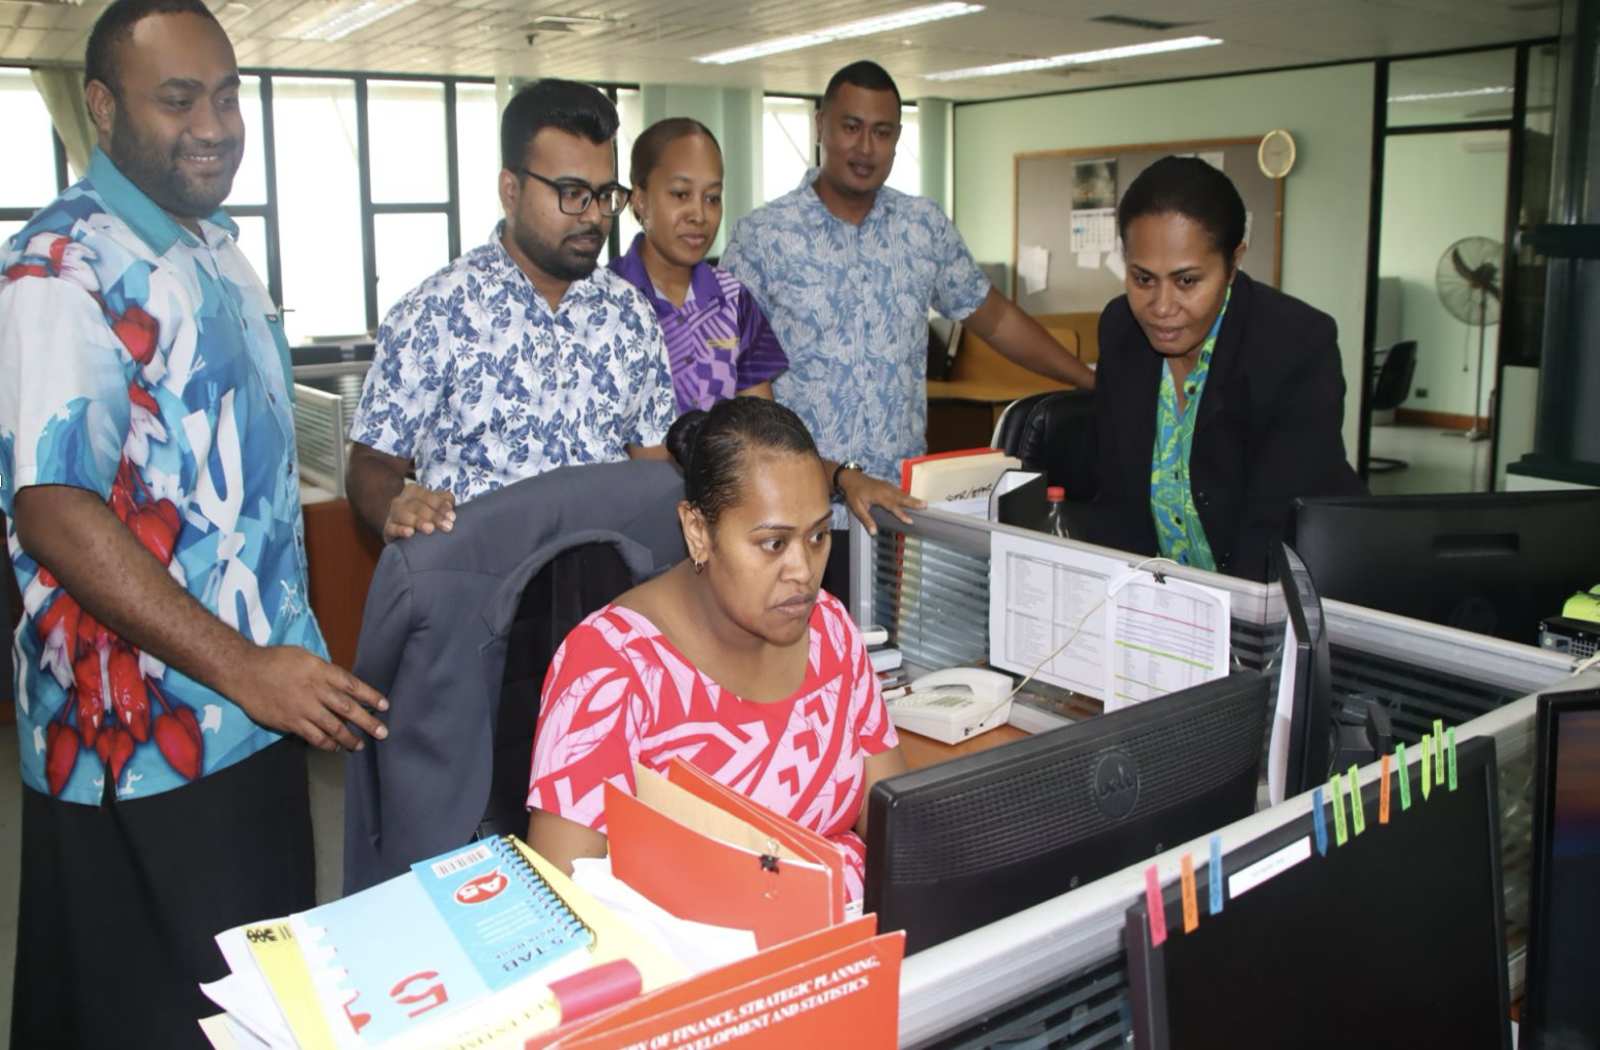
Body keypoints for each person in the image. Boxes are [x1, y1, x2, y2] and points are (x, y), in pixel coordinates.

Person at [0, 1, 388, 1045]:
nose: (213, 123)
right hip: (140, 743)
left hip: (256, 712)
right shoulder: (59, 268)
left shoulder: (214, 245)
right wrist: (241, 666)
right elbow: (51, 508)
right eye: (177, 99)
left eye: (224, 95)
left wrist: (267, 671)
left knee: (260, 1006)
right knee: (158, 1021)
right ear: (99, 106)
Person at [721, 60, 1094, 596]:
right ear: (820, 124)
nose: (865, 147)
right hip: (799, 516)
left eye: (883, 131)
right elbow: (741, 385)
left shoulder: (923, 227)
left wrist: (1085, 380)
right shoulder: (762, 236)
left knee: (894, 667)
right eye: (851, 127)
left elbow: (995, 317)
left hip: (901, 512)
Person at [525, 397, 907, 901]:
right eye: (774, 543)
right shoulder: (609, 669)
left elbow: (894, 831)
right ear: (698, 531)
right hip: (701, 963)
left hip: (851, 939)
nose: (803, 571)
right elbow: (567, 907)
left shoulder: (831, 630)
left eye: (817, 537)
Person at [346, 79, 677, 543]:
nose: (593, 216)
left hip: (604, 593)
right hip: (478, 588)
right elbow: (371, 463)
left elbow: (655, 470)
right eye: (570, 192)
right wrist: (396, 503)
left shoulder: (631, 316)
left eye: (604, 195)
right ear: (510, 189)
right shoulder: (436, 312)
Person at [1087, 156, 1367, 582]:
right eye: (1143, 279)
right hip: (1166, 611)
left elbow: (1273, 535)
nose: (1161, 308)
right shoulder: (1120, 329)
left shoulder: (1295, 344)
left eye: (1187, 282)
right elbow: (1117, 504)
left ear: (1234, 262)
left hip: (1285, 604)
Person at [609, 117, 788, 411]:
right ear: (640, 199)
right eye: (681, 194)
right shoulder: (606, 298)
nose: (699, 215)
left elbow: (759, 425)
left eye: (712, 198)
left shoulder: (734, 300)